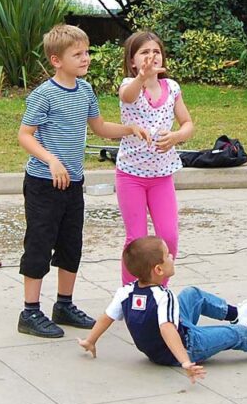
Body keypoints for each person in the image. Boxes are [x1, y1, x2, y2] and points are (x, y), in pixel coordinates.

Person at [17, 24, 152, 338]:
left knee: (71, 244)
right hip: (43, 183)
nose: (85, 58)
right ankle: (30, 311)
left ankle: (63, 305)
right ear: (56, 60)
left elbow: (100, 127)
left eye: (87, 52)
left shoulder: (85, 90)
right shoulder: (45, 95)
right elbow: (25, 135)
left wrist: (130, 129)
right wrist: (51, 160)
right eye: (77, 54)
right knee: (39, 244)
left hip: (73, 182)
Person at [77, 236, 247, 382]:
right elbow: (168, 329)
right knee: (237, 335)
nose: (172, 256)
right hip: (187, 346)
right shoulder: (163, 296)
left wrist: (91, 340)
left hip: (158, 347)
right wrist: (185, 362)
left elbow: (106, 318)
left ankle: (236, 315)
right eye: (168, 255)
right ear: (159, 269)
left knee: (192, 294)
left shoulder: (126, 291)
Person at [115, 31, 194, 285]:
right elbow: (128, 96)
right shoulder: (129, 85)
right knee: (136, 241)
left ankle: (158, 290)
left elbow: (188, 123)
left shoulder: (171, 88)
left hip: (162, 176)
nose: (151, 57)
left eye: (156, 51)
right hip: (131, 176)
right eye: (144, 53)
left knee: (168, 238)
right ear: (132, 61)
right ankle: (129, 294)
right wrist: (141, 77)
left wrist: (176, 136)